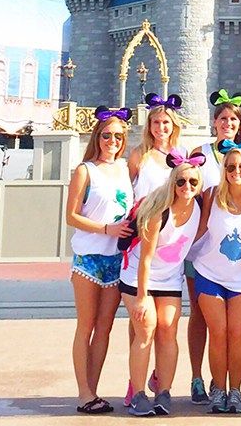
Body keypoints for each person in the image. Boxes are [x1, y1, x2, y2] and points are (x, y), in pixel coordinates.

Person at [119, 150, 205, 416]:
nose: (186, 187)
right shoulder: (159, 212)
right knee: (146, 328)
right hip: (138, 276)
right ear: (172, 183)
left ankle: (164, 391)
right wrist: (142, 297)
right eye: (181, 181)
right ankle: (138, 393)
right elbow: (144, 259)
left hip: (169, 277)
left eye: (192, 182)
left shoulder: (200, 207)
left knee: (168, 328)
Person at [66, 106, 133, 414]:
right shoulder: (85, 170)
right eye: (107, 135)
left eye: (119, 136)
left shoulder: (124, 168)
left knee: (105, 328)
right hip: (89, 257)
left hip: (116, 259)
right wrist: (106, 229)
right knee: (86, 325)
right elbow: (72, 215)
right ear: (97, 136)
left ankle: (92, 391)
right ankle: (83, 392)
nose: (113, 141)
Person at [186, 88, 241, 404]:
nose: (227, 123)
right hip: (201, 247)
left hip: (233, 253)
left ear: (240, 124)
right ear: (214, 122)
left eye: (233, 119)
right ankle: (198, 378)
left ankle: (221, 383)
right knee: (200, 314)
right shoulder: (201, 152)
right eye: (222, 118)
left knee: (229, 328)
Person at [124, 92, 184, 406]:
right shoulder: (139, 155)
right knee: (141, 324)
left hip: (170, 243)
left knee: (164, 327)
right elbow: (128, 193)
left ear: (173, 126)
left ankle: (158, 383)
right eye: (156, 122)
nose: (161, 127)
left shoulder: (180, 154)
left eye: (166, 122)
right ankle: (135, 386)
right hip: (143, 237)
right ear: (149, 126)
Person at [193, 139, 241, 414]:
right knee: (218, 333)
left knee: (237, 333)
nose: (236, 171)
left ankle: (236, 391)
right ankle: (218, 390)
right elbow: (194, 229)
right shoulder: (211, 194)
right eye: (231, 166)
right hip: (209, 272)